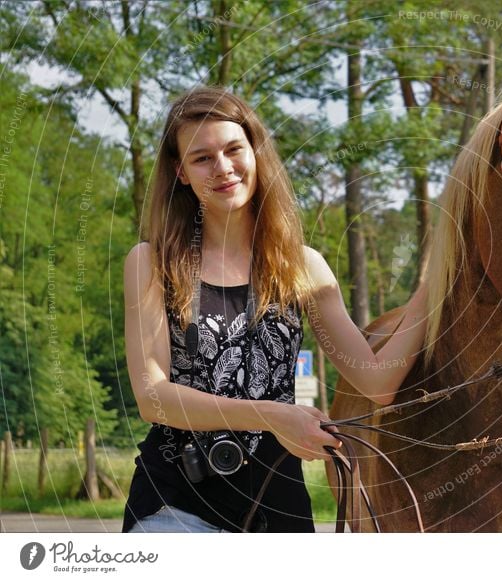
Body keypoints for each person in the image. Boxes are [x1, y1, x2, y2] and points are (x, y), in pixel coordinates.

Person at [122, 86, 428, 533]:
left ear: (256, 153)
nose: (223, 168)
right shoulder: (151, 262)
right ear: (181, 173)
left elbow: (376, 380)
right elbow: (153, 396)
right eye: (202, 158)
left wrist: (432, 286)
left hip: (279, 509)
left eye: (233, 149)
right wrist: (270, 414)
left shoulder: (304, 267)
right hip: (175, 504)